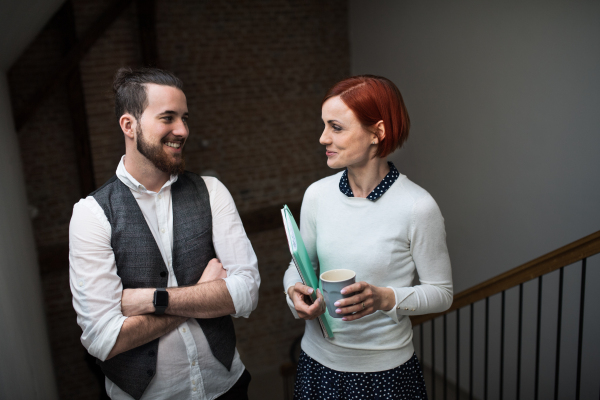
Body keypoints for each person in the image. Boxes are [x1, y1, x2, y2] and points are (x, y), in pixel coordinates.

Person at [69, 67, 260, 400]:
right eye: (168, 118)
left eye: (185, 118)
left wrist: (151, 300)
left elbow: (246, 294)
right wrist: (203, 293)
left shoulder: (211, 191)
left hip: (227, 386)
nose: (182, 130)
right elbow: (103, 339)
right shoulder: (91, 214)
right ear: (129, 125)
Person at [283, 75, 453, 399]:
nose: (322, 138)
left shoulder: (418, 206)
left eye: (336, 127)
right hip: (317, 364)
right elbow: (299, 265)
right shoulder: (317, 195)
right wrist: (293, 291)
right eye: (323, 126)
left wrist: (384, 298)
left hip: (386, 374)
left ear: (378, 132)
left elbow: (441, 293)